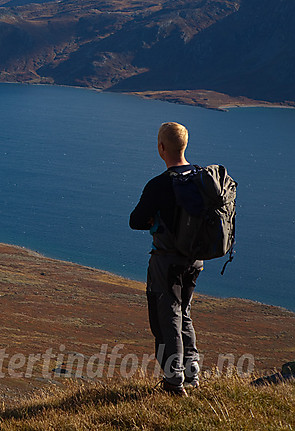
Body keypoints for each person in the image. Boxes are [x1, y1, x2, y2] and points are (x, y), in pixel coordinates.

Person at [130, 122, 203, 396]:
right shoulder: (201, 179)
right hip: (195, 260)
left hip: (166, 261)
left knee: (167, 318)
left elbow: (135, 221)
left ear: (161, 148)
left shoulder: (159, 185)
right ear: (185, 145)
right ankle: (192, 376)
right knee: (184, 314)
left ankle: (174, 383)